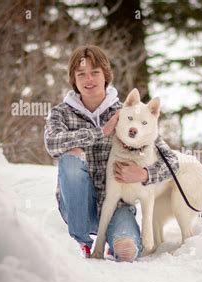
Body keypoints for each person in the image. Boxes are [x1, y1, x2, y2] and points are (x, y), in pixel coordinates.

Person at [44, 45, 179, 262]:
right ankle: (83, 242)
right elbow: (52, 143)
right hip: (78, 207)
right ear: (74, 79)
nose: (89, 79)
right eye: (81, 74)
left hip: (118, 206)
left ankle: (114, 241)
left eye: (95, 72)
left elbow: (171, 160)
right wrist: (101, 132)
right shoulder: (62, 113)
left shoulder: (128, 113)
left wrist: (144, 174)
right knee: (70, 158)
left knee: (127, 252)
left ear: (105, 75)